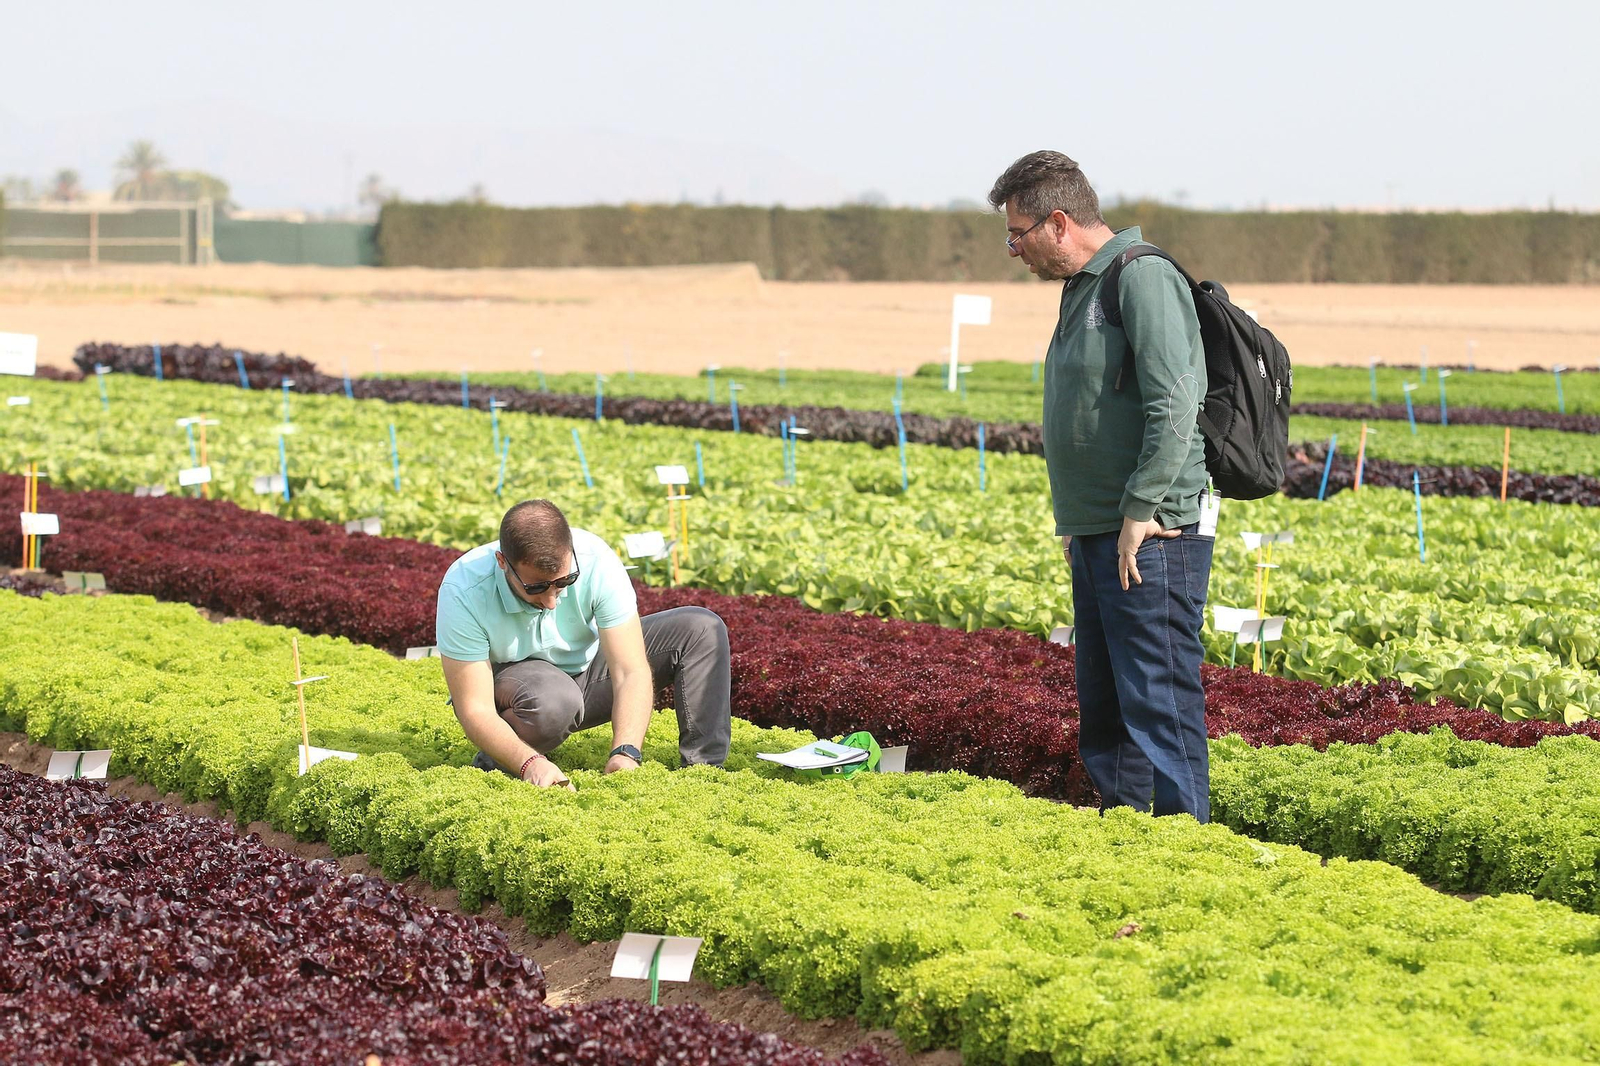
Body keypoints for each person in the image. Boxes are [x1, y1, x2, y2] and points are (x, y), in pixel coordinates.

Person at [988, 150, 1214, 821]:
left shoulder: (1140, 278)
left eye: (1018, 234)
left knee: (1157, 694)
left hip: (1151, 530)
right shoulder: (1082, 284)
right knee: (1107, 701)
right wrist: (1079, 519)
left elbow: (1175, 403)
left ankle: (1183, 843)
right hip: (1098, 528)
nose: (1013, 250)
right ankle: (1121, 830)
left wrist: (1140, 507)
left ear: (1059, 222)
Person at [435, 498, 731, 789]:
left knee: (701, 629)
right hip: (524, 693)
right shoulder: (464, 588)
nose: (551, 601)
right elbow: (475, 708)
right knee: (554, 700)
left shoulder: (595, 559)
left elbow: (630, 669)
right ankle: (500, 758)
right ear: (502, 562)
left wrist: (626, 752)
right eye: (535, 587)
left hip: (585, 673)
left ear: (571, 552)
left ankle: (703, 774)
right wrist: (530, 763)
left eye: (564, 582)